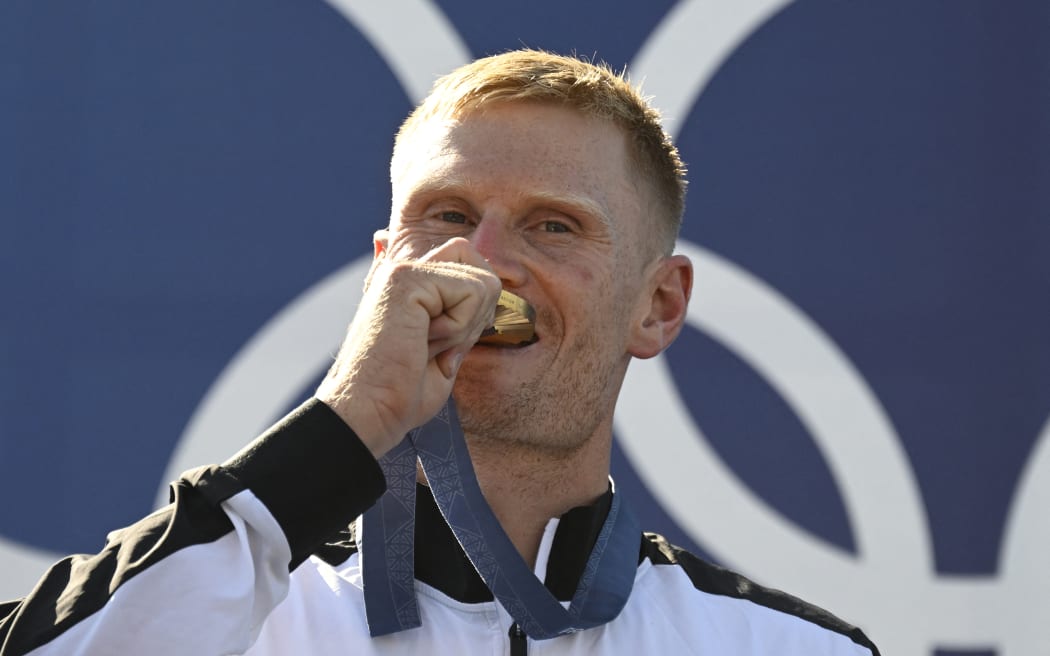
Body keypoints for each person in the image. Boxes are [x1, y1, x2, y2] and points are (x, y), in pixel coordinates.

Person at [0, 49, 880, 655]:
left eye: (554, 225)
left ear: (658, 306)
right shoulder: (236, 616)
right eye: (449, 217)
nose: (484, 265)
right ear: (385, 273)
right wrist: (344, 424)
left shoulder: (787, 648)